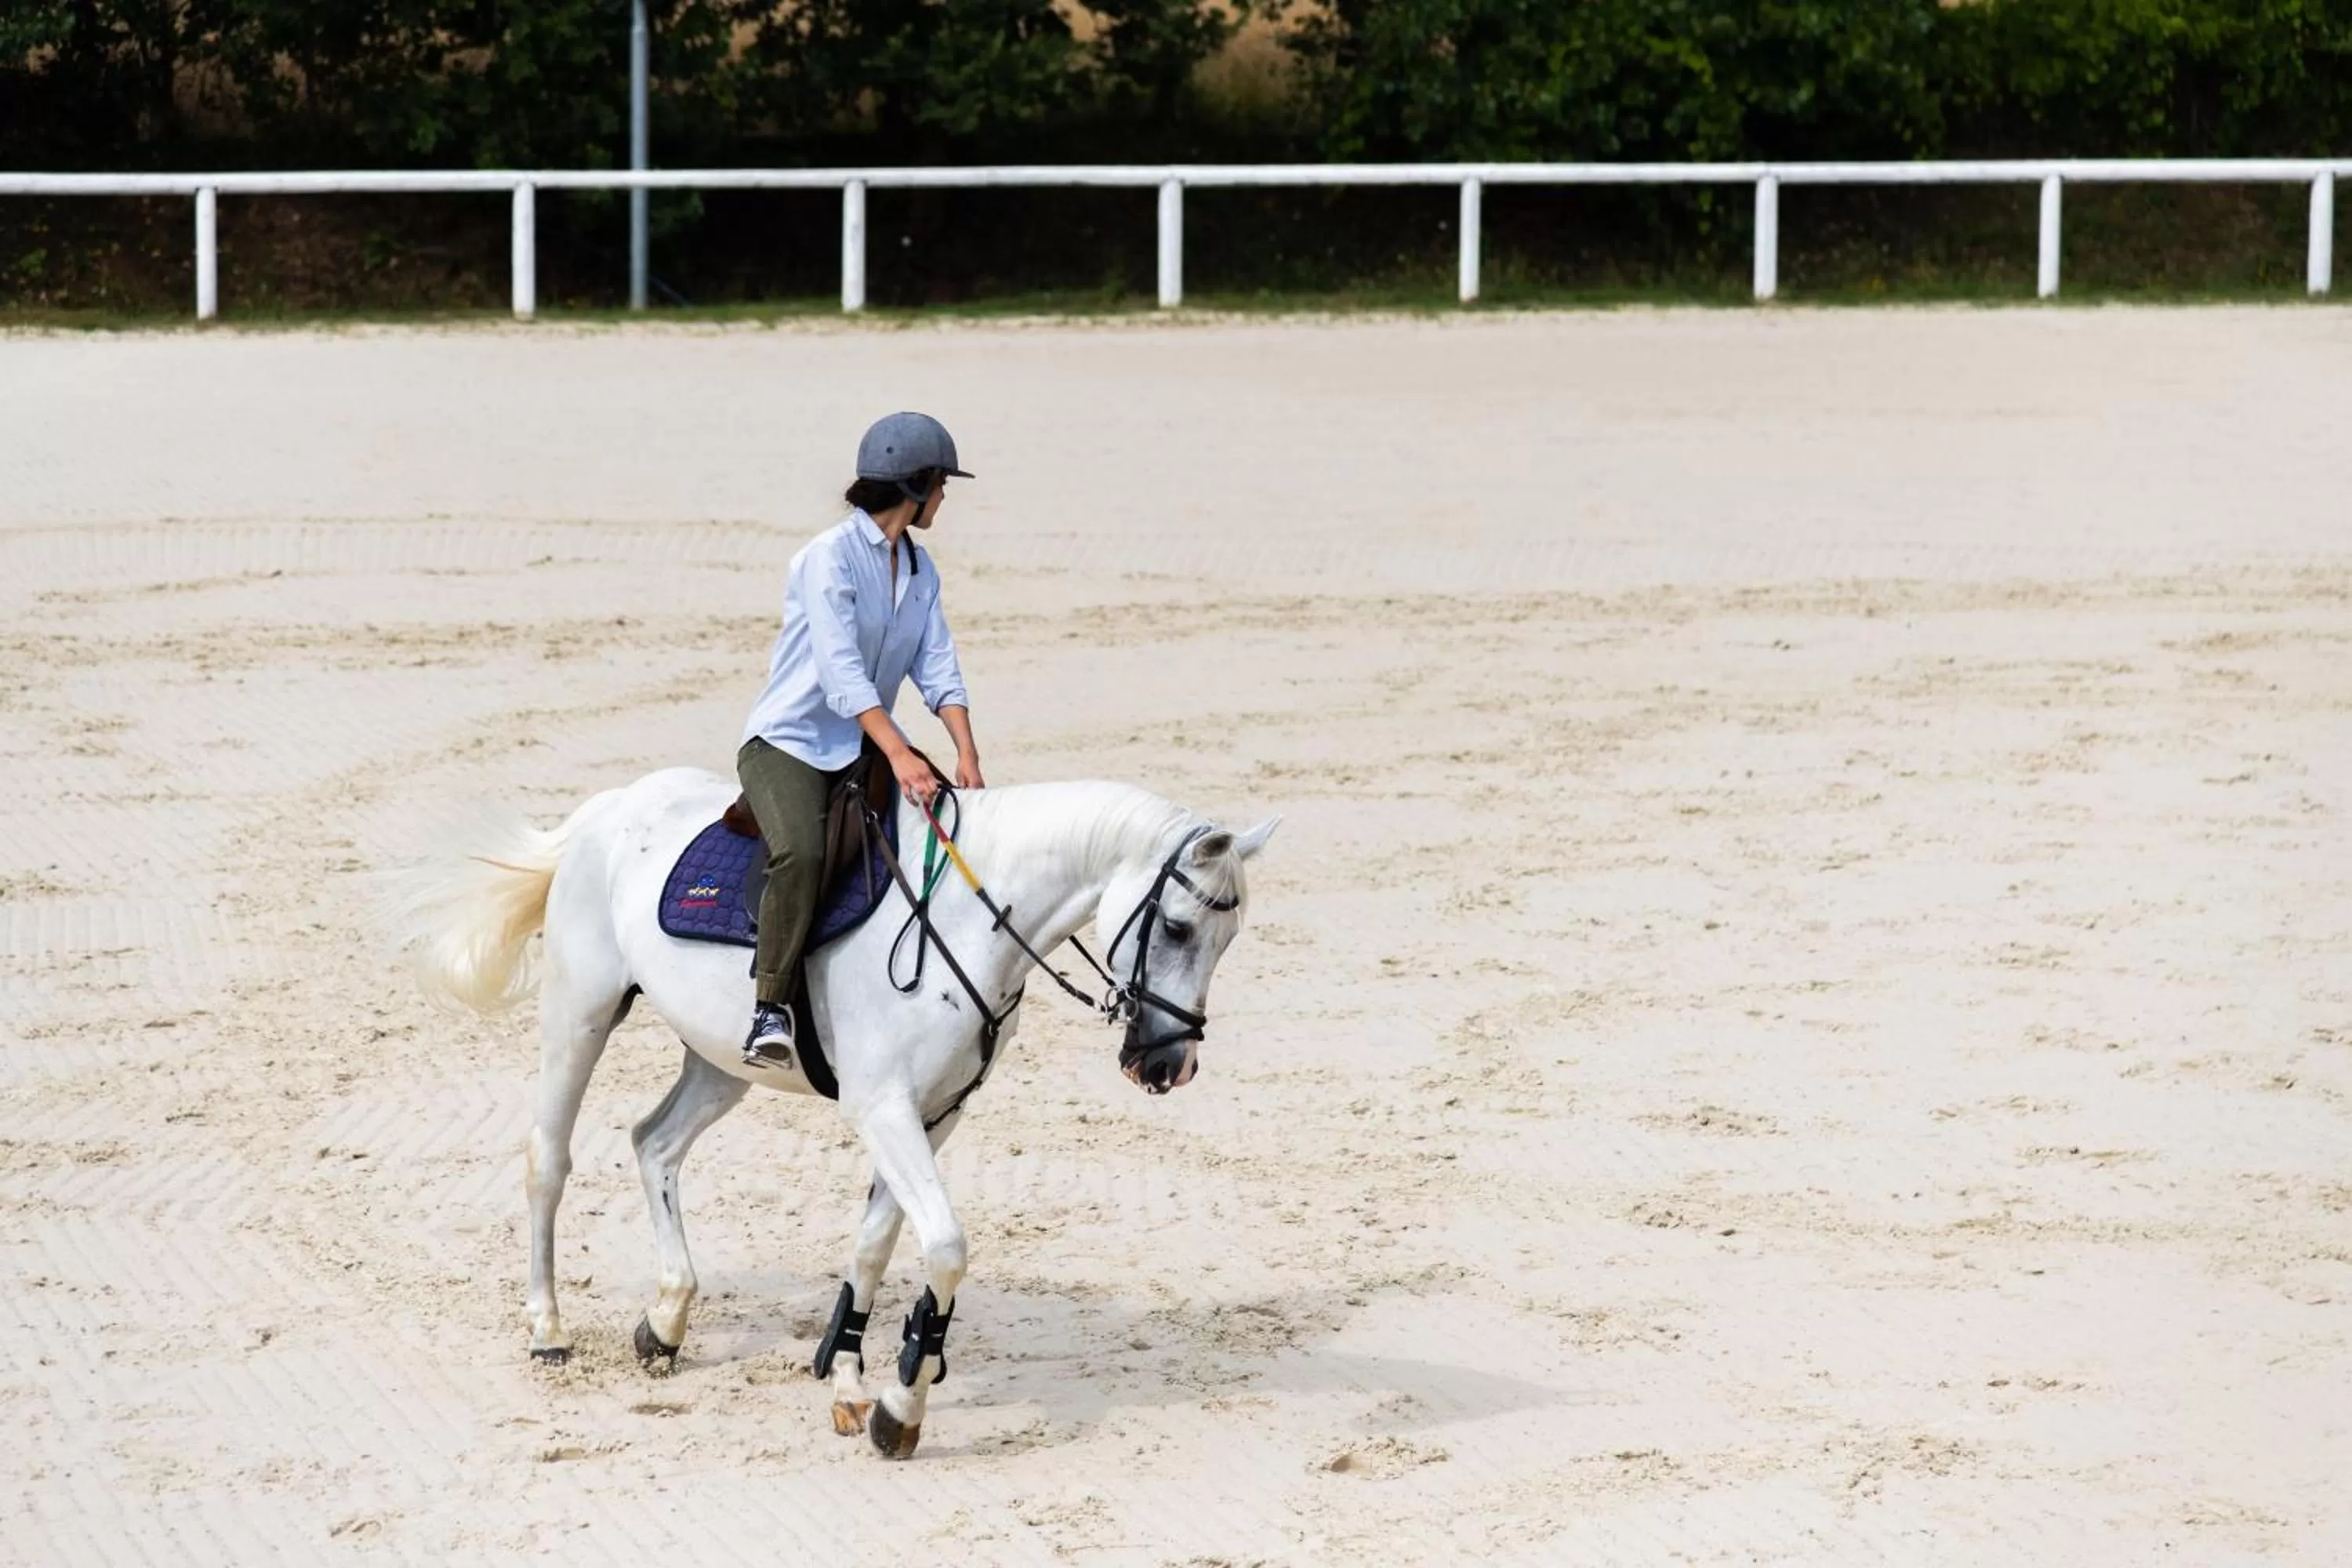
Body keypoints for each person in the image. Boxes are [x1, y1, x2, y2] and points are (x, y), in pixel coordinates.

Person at [736, 412, 985, 1068]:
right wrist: (901, 753)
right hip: (788, 744)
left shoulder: (920, 569)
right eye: (941, 484)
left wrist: (965, 752)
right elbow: (841, 676)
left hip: (861, 742)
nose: (945, 497)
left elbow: (938, 667)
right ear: (919, 483)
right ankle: (769, 1007)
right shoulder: (827, 558)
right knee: (804, 856)